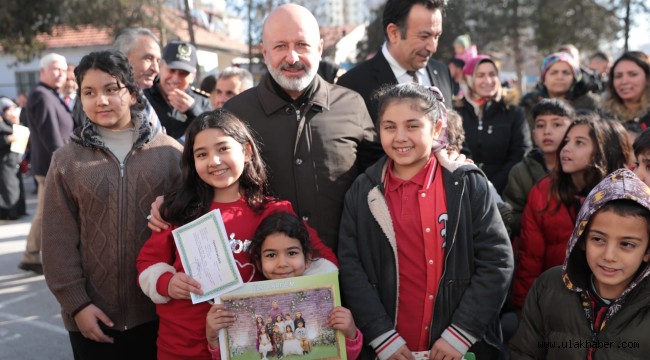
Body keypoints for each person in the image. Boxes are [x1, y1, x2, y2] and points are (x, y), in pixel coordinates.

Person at [136, 110, 336, 360]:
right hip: (184, 347)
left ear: (247, 151)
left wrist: (296, 283)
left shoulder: (275, 211)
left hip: (251, 348)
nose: (214, 161)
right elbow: (148, 264)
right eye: (202, 154)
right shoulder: (178, 212)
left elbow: (322, 261)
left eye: (223, 149)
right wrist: (167, 282)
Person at [339, 83, 514, 360]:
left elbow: (497, 261)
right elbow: (351, 268)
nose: (400, 137)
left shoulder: (466, 183)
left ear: (436, 128)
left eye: (412, 126)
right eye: (389, 127)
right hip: (390, 348)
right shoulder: (363, 191)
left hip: (458, 348)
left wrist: (460, 334)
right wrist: (382, 337)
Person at [41, 50, 183, 359]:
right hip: (91, 319)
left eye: (111, 89)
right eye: (89, 92)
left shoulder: (171, 155)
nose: (100, 101)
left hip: (160, 315)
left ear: (132, 94)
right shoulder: (66, 162)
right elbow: (56, 241)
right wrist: (77, 304)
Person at [214, 4, 382, 250]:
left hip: (345, 267)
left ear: (320, 48)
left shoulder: (352, 105)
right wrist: (168, 204)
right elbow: (209, 180)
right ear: (264, 52)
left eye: (302, 45)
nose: (292, 58)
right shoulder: (235, 114)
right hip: (264, 274)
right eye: (280, 46)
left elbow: (384, 173)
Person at [509, 168, 650, 359]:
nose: (609, 256)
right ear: (581, 239)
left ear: (647, 251)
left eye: (626, 244)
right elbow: (524, 353)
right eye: (598, 239)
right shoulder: (549, 286)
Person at [205, 211, 363, 360]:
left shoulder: (322, 297)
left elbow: (344, 355)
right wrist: (214, 338)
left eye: (292, 253)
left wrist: (350, 333)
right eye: (271, 255)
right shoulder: (249, 302)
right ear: (259, 263)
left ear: (307, 259)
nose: (282, 263)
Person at [512, 113, 628, 309]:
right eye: (566, 141)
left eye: (579, 143)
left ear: (603, 150)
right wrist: (524, 307)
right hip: (554, 301)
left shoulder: (624, 196)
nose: (566, 149)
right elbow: (530, 259)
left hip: (611, 303)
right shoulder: (542, 193)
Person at [337, 0, 453, 123]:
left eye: (436, 36)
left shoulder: (442, 72)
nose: (433, 47)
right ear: (394, 33)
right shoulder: (352, 85)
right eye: (424, 36)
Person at [19, 53, 74, 275]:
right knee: (44, 214)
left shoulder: (50, 94)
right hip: (51, 166)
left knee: (46, 214)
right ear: (42, 71)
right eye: (55, 69)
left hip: (53, 164)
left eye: (63, 69)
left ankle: (31, 255)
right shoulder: (42, 95)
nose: (61, 74)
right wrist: (63, 165)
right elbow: (51, 134)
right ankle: (31, 255)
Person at [455, 54, 532, 194]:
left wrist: (493, 186)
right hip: (466, 189)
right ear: (469, 79)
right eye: (480, 75)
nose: (488, 80)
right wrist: (474, 184)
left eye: (492, 74)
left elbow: (521, 151)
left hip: (506, 191)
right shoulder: (457, 112)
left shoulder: (513, 111)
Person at [502, 98, 574, 237]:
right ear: (534, 134)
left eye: (557, 124)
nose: (547, 131)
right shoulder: (521, 172)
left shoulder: (579, 169)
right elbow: (514, 216)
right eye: (540, 125)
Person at [144, 41, 211, 140]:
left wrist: (193, 111)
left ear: (193, 76)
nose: (175, 78)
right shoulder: (144, 96)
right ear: (160, 66)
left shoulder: (202, 102)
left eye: (183, 73)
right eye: (172, 70)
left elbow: (211, 136)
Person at [521, 52, 600, 128]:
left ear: (574, 78)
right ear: (544, 79)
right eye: (554, 72)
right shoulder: (528, 105)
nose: (560, 77)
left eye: (566, 73)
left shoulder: (590, 105)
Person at [113, 27, 163, 133]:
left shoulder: (140, 97)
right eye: (148, 58)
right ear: (123, 58)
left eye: (158, 61)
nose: (156, 69)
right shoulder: (108, 103)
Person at [600, 51, 650, 132]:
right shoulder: (602, 116)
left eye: (633, 74)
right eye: (618, 76)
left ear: (647, 78)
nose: (624, 81)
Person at [0, 97, 26, 220]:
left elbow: (22, 133)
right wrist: (7, 139)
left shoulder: (13, 122)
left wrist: (16, 122)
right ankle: (9, 213)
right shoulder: (1, 124)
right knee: (8, 188)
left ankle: (19, 210)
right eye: (8, 110)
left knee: (17, 186)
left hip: (15, 159)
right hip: (5, 161)